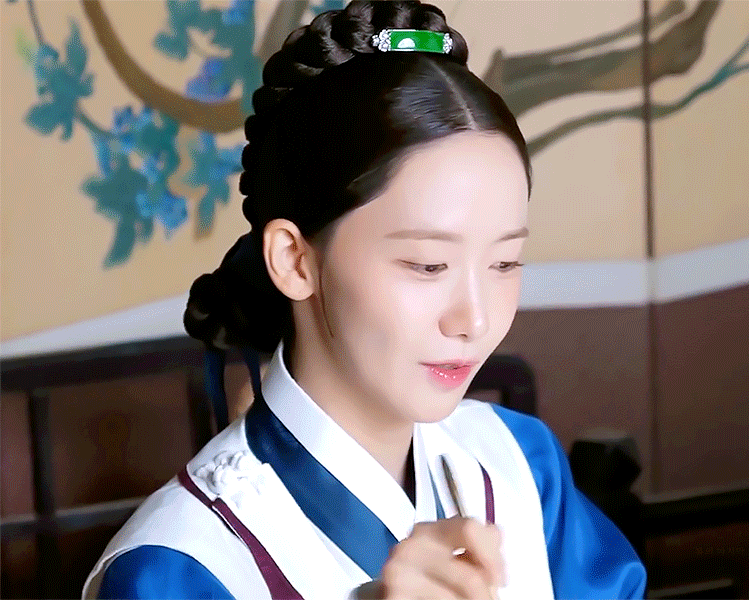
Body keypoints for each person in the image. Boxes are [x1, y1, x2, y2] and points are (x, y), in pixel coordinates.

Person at [83, 1, 647, 598]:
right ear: (294, 260)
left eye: (504, 263)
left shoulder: (521, 465)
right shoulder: (181, 566)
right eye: (427, 265)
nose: (476, 320)